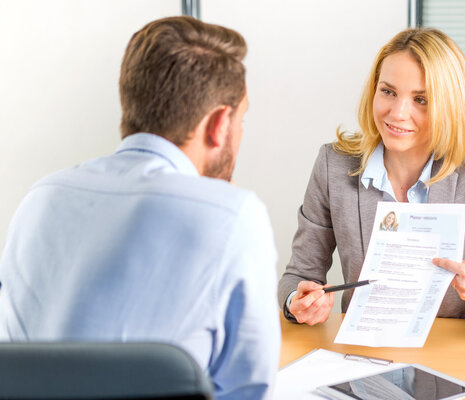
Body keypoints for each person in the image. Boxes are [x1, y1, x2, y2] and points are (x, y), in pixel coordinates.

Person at [0, 16, 280, 400]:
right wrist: (222, 205)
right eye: (241, 119)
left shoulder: (40, 197)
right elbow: (248, 391)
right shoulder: (234, 215)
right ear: (218, 125)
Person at [278, 27, 465, 331]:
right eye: (388, 91)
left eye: (421, 99)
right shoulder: (334, 163)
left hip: (456, 352)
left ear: (450, 105)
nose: (398, 113)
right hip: (365, 349)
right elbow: (298, 275)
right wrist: (298, 301)